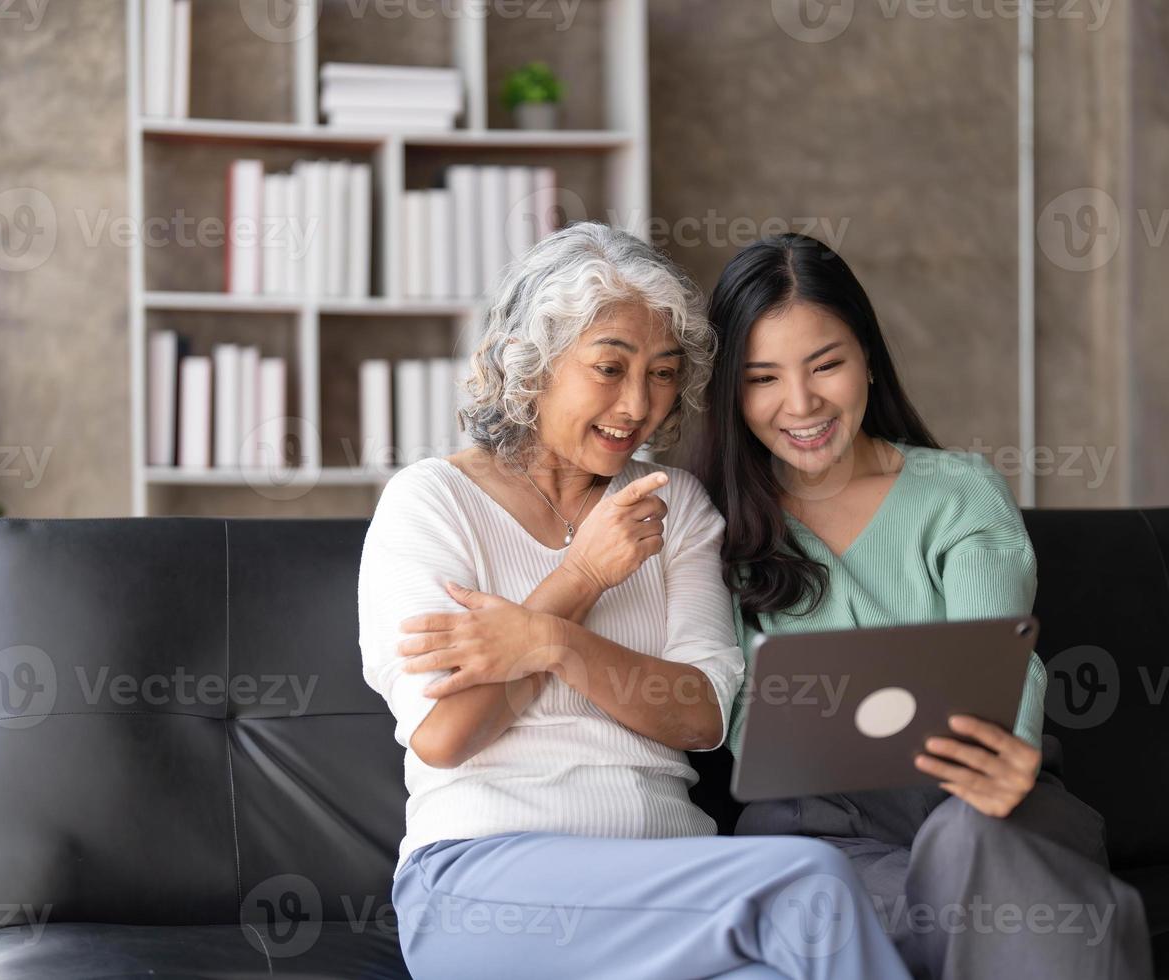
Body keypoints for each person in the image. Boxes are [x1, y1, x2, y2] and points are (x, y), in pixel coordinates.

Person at [360, 222, 909, 979]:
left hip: (672, 888)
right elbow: (447, 734)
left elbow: (701, 715)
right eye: (609, 367)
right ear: (535, 365)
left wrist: (548, 642)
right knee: (811, 884)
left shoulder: (672, 504)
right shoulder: (431, 504)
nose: (638, 404)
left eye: (661, 373)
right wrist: (583, 576)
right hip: (483, 885)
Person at [695, 233, 1153, 979]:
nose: (801, 403)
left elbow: (996, 657)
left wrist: (1006, 756)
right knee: (874, 902)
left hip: (983, 792)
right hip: (822, 831)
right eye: (762, 378)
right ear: (730, 392)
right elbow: (730, 713)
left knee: (972, 844)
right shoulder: (711, 524)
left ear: (868, 358)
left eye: (826, 365)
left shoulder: (959, 492)